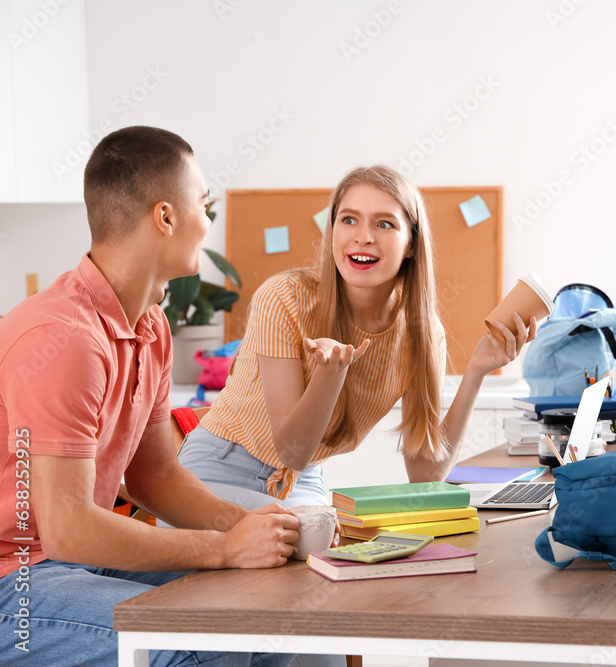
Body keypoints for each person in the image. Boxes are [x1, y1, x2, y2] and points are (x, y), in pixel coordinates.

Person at [0, 127, 298, 666]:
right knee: (206, 638)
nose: (207, 222)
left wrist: (253, 532)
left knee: (272, 603)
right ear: (165, 218)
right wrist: (224, 549)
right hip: (13, 582)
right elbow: (67, 529)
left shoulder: (150, 327)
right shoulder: (64, 338)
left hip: (69, 565)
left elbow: (153, 476)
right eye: (202, 205)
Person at [177, 165, 534, 508]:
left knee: (318, 563)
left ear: (411, 244)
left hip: (301, 480)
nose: (363, 236)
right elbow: (292, 448)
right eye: (348, 219)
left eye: (384, 223)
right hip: (220, 464)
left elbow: (426, 473)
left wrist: (474, 372)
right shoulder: (283, 297)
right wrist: (329, 374)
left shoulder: (423, 335)